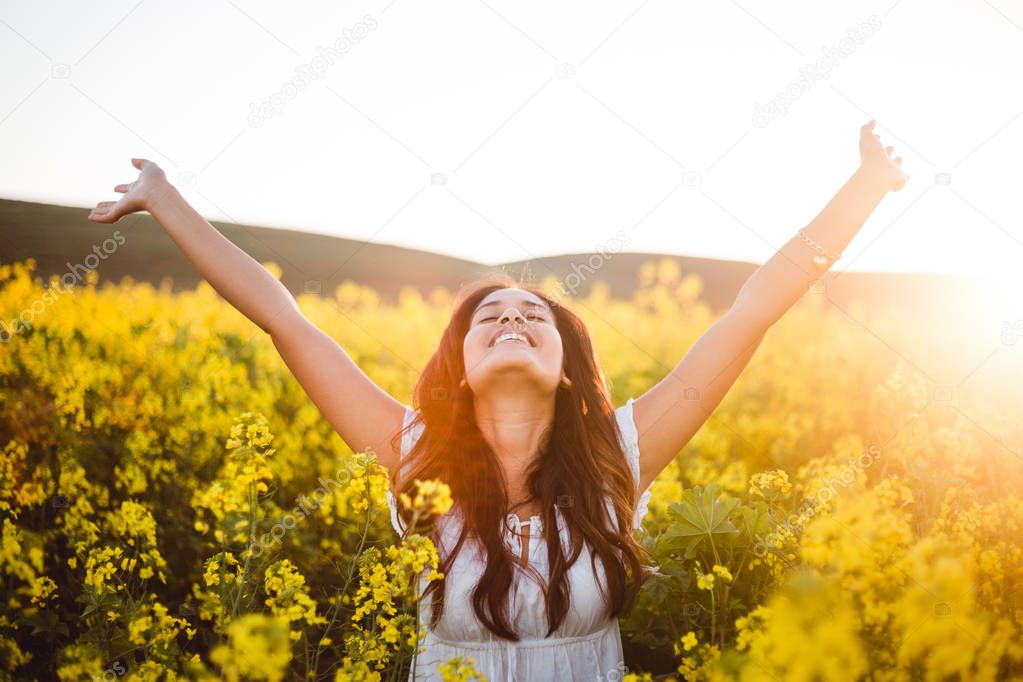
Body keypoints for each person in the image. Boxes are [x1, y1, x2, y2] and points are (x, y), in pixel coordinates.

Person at [88, 120, 906, 680]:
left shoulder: (622, 455)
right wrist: (162, 195)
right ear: (460, 368)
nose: (512, 318)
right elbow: (280, 317)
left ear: (565, 367)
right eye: (489, 316)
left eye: (533, 316)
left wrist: (864, 189)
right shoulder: (412, 454)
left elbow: (752, 309)